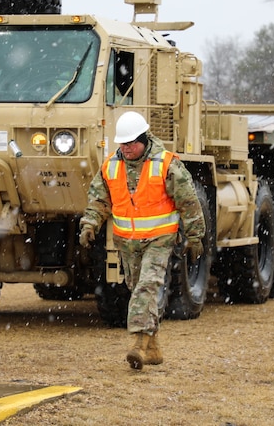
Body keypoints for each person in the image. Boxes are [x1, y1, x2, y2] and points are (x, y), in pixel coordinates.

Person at [79, 111, 206, 370]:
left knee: (147, 287)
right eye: (122, 144)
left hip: (160, 239)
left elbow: (188, 202)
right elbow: (99, 200)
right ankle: (154, 348)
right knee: (138, 289)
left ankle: (138, 344)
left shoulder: (166, 164)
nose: (126, 149)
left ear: (144, 139)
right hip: (127, 242)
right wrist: (90, 224)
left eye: (131, 144)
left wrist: (195, 236)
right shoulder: (110, 166)